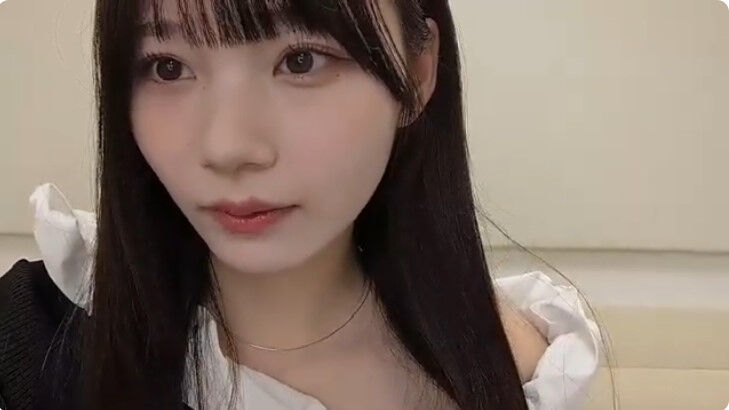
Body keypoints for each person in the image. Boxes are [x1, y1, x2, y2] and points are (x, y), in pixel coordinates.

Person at [0, 0, 603, 409]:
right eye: (168, 66)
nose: (228, 147)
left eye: (301, 60)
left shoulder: (512, 368)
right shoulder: (36, 337)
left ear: (418, 72)